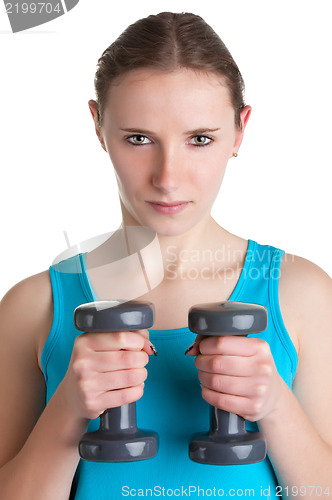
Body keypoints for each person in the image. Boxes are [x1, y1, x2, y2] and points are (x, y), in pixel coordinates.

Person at [0, 11, 331, 500]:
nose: (168, 176)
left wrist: (277, 408)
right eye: (139, 139)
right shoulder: (34, 307)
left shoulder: (301, 293)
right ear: (98, 126)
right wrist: (68, 411)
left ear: (240, 130)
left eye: (200, 139)